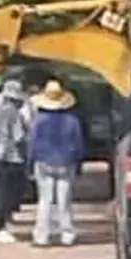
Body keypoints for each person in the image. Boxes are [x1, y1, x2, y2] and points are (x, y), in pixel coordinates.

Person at [28, 79, 84, 247]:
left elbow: (32, 143)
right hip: (66, 162)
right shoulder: (72, 121)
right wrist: (79, 164)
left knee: (44, 200)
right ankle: (67, 234)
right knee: (64, 200)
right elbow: (79, 144)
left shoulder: (39, 120)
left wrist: (30, 163)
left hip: (43, 161)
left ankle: (41, 236)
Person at [0, 78, 30, 243]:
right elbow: (18, 137)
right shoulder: (13, 113)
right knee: (7, 194)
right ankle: (2, 229)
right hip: (11, 158)